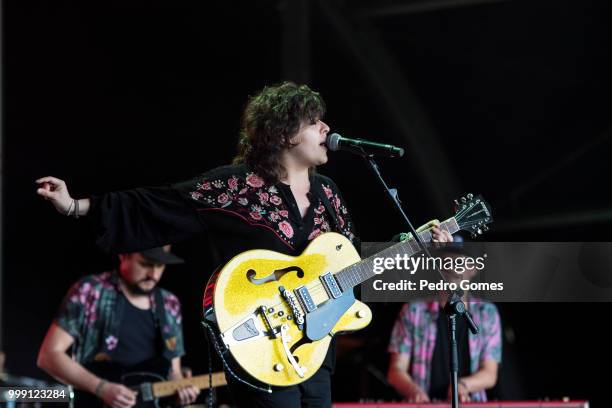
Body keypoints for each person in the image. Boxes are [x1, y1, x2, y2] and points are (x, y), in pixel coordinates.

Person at [36, 81, 453, 408]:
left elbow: (352, 265)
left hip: (315, 351)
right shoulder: (238, 186)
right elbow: (161, 204)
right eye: (314, 122)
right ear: (287, 132)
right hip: (259, 342)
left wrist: (412, 246)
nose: (326, 128)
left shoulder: (330, 194)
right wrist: (76, 205)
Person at [37, 246, 200, 408]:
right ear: (124, 255)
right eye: (145, 264)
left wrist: (180, 393)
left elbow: (174, 371)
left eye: (160, 266)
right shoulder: (91, 291)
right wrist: (102, 388)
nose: (153, 275)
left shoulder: (170, 303)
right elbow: (49, 356)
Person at [387, 244, 501, 403]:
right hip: (424, 404)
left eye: (459, 262)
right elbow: (396, 370)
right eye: (445, 261)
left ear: (473, 269)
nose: (452, 265)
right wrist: (413, 390)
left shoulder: (487, 313)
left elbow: (490, 373)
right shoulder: (413, 310)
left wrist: (462, 386)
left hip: (469, 403)